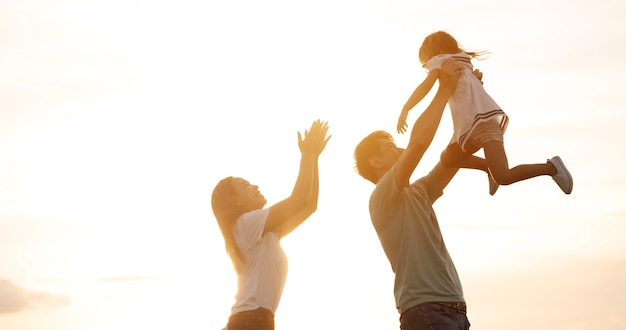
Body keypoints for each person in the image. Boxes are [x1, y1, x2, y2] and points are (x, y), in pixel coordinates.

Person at [354, 60, 485, 329]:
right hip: (426, 311)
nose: (400, 149)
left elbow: (457, 151)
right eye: (391, 146)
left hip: (456, 309)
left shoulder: (421, 191)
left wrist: (469, 96)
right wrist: (444, 89)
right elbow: (419, 144)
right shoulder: (381, 197)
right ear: (376, 163)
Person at [396, 30, 572, 195]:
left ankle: (551, 168)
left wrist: (406, 108)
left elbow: (425, 86)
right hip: (471, 127)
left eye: (425, 63)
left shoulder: (443, 61)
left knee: (503, 176)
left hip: (483, 125)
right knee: (448, 158)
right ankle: (488, 167)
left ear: (435, 52)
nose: (427, 68)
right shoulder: (463, 61)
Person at [212, 119, 330, 330]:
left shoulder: (266, 233)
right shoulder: (245, 225)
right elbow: (300, 199)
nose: (255, 185)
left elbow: (310, 205)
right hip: (250, 321)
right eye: (246, 185)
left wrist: (314, 158)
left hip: (256, 321)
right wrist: (307, 155)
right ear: (236, 201)